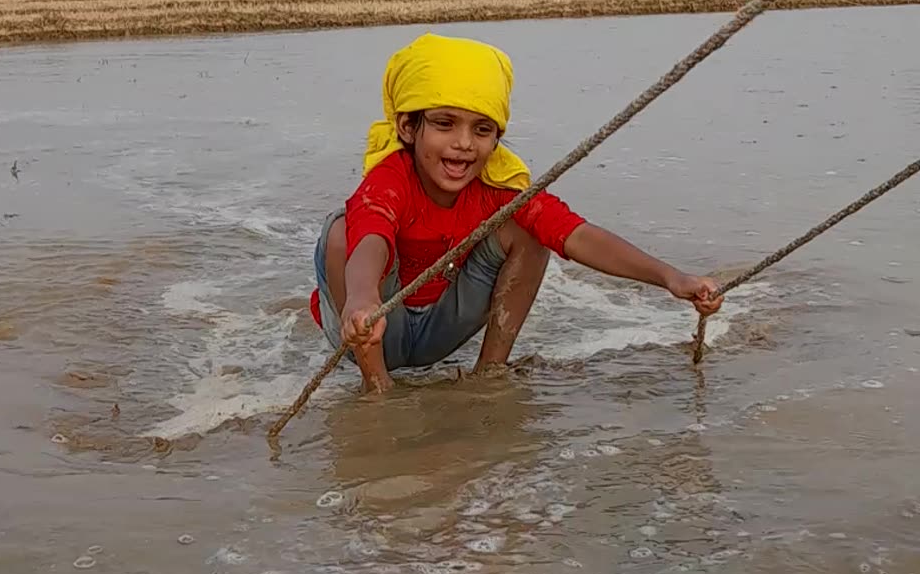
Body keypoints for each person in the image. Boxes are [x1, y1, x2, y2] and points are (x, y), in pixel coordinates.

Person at [309, 32, 724, 393]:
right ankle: (377, 386)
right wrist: (362, 301)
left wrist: (672, 278)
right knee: (342, 230)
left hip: (437, 329)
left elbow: (575, 235)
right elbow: (370, 240)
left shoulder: (497, 185)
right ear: (407, 128)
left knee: (530, 230)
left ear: (496, 137)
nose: (464, 143)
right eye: (445, 124)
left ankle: (490, 371)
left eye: (482, 129)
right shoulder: (390, 178)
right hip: (369, 327)